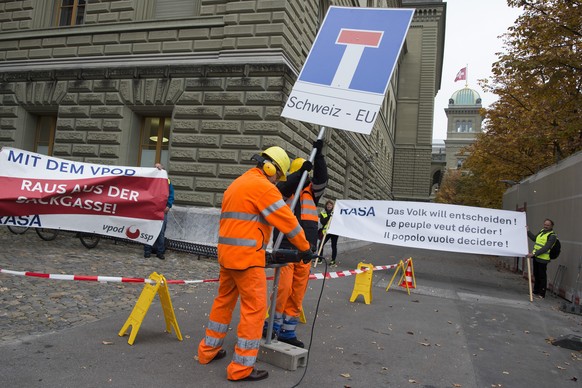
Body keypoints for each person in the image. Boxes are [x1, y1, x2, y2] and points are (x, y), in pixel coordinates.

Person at [197, 146, 316, 382]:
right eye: (277, 175)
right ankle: (241, 368)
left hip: (227, 256)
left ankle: (207, 351)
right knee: (255, 310)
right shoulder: (263, 188)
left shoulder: (237, 184)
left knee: (223, 303)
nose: (276, 181)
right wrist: (305, 248)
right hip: (248, 260)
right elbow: (288, 222)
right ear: (269, 168)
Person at [266, 139, 328, 348]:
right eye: (304, 173)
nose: (308, 177)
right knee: (282, 288)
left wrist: (318, 156)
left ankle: (287, 331)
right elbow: (284, 185)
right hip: (285, 247)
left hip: (305, 250)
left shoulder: (312, 192)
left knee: (297, 291)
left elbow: (322, 178)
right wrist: (300, 173)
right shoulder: (283, 192)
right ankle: (271, 326)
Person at [144, 163, 174, 260]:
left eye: (159, 168)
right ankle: (147, 250)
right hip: (151, 209)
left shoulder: (167, 181)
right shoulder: (151, 180)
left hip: (162, 210)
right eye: (156, 168)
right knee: (149, 230)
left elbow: (171, 195)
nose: (158, 169)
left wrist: (168, 205)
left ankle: (160, 252)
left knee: (161, 232)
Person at [527, 218, 557, 299]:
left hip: (543, 259)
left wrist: (533, 254)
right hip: (536, 257)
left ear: (551, 226)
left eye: (548, 225)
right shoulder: (542, 232)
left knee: (542, 276)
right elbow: (534, 239)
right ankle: (535, 291)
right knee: (536, 274)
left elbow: (546, 248)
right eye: (545, 224)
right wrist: (528, 231)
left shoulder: (552, 236)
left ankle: (542, 293)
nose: (546, 226)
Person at [318, 199, 338, 266]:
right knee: (321, 244)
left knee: (333, 245)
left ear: (333, 206)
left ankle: (333, 260)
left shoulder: (336, 212)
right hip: (326, 232)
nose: (329, 206)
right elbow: (323, 222)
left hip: (334, 232)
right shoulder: (323, 212)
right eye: (328, 205)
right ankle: (320, 259)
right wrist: (329, 216)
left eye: (330, 205)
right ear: (326, 206)